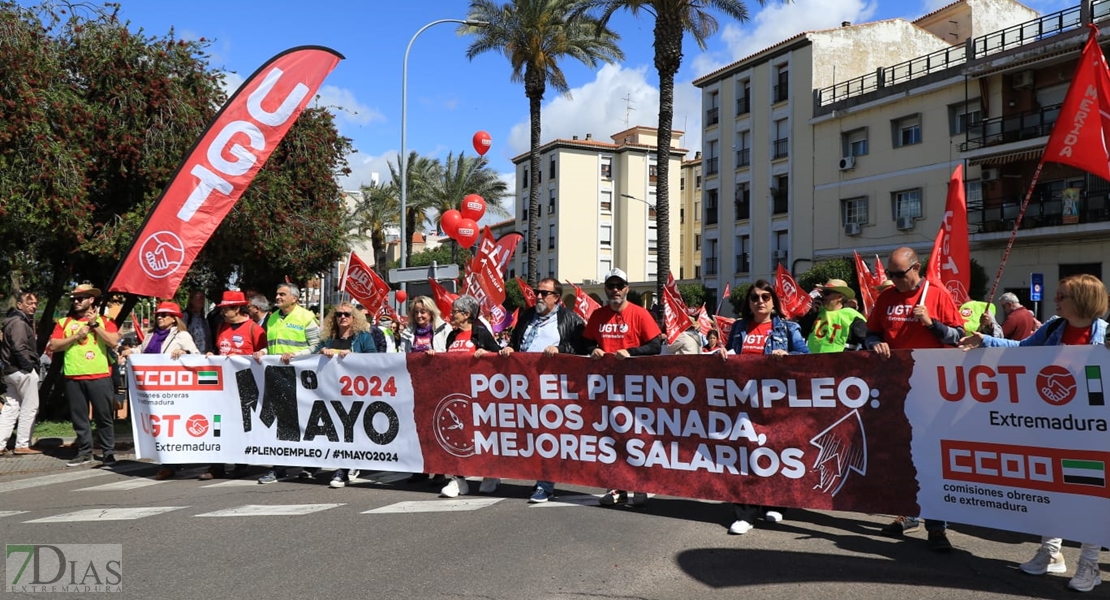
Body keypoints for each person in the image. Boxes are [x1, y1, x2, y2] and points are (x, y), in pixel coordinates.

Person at [960, 274, 1108, 593]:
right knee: (1054, 491)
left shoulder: (1105, 335)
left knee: (1090, 497)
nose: (1057, 301)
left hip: (1092, 430)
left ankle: (1090, 563)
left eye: (1063, 296)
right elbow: (1022, 350)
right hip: (1054, 425)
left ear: (1082, 300)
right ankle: (1051, 553)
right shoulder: (1055, 329)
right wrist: (984, 340)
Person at [864, 247, 964, 552]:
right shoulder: (887, 298)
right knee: (903, 456)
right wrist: (876, 343)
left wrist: (931, 324)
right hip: (897, 386)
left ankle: (937, 526)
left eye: (899, 274)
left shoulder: (937, 294)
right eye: (891, 275)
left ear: (916, 268)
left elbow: (959, 335)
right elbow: (870, 333)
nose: (894, 280)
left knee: (930, 458)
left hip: (932, 388)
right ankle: (908, 513)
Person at [718, 279, 809, 534]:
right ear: (748, 303)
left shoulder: (788, 329)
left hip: (777, 404)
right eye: (755, 297)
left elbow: (809, 357)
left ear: (773, 301)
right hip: (744, 402)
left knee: (778, 453)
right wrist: (723, 354)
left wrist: (789, 357)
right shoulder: (738, 328)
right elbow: (731, 354)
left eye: (766, 297)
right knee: (745, 455)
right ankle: (745, 512)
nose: (760, 301)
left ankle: (777, 503)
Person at [501, 278, 586, 502]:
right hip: (524, 387)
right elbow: (517, 342)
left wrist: (560, 348)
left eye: (543, 293)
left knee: (546, 436)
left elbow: (583, 347)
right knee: (524, 434)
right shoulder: (528, 316)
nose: (538, 296)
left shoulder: (570, 320)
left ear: (556, 298)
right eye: (537, 292)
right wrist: (510, 348)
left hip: (553, 390)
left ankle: (544, 484)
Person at [584, 268, 663, 507]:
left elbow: (656, 346)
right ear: (606, 289)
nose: (615, 290)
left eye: (620, 286)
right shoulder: (598, 315)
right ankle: (616, 487)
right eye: (611, 286)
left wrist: (631, 352)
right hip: (606, 386)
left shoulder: (640, 314)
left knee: (637, 436)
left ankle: (640, 484)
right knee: (611, 437)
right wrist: (592, 350)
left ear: (627, 288)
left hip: (636, 386)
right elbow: (584, 341)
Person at [121, 301, 200, 480]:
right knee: (158, 425)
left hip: (174, 388)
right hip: (152, 389)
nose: (159, 318)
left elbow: (196, 356)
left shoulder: (181, 335)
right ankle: (170, 460)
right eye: (158, 315)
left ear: (174, 319)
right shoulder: (150, 335)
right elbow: (142, 351)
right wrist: (131, 351)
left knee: (170, 426)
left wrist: (184, 353)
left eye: (164, 315)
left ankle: (169, 464)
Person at [435, 295, 501, 497]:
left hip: (479, 396)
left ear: (467, 315)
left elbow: (499, 359)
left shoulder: (480, 333)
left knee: (481, 437)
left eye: (455, 311)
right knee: (456, 438)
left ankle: (490, 473)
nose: (451, 314)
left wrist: (486, 355)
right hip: (455, 396)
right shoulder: (451, 336)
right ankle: (458, 480)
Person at [48, 284, 120, 468]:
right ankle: (84, 452)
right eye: (74, 299)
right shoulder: (64, 322)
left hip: (99, 375)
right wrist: (76, 336)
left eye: (81, 298)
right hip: (73, 376)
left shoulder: (105, 320)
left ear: (91, 300)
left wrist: (95, 325)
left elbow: (113, 341)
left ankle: (108, 453)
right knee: (79, 417)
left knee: (103, 417)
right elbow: (54, 346)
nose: (76, 301)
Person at [257, 283, 321, 485]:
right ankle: (279, 468)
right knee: (281, 424)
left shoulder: (306, 317)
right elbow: (274, 345)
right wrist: (264, 353)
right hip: (278, 376)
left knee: (305, 422)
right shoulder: (273, 317)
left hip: (302, 377)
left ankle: (310, 465)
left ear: (294, 298)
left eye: (282, 294)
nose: (277, 297)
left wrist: (296, 355)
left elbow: (317, 345)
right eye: (276, 293)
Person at [200, 290, 266, 480]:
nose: (222, 312)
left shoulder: (254, 329)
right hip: (222, 386)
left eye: (226, 309)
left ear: (237, 308)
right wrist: (213, 356)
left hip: (244, 385)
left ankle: (241, 463)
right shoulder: (221, 327)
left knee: (240, 425)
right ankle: (217, 465)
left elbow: (263, 354)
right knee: (218, 424)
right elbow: (219, 349)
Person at [314, 302, 378, 488]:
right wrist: (321, 352)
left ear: (354, 318)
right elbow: (311, 356)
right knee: (339, 430)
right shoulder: (328, 338)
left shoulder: (363, 337)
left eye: (347, 314)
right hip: (332, 392)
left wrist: (354, 354)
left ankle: (347, 466)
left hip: (355, 391)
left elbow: (374, 358)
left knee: (352, 429)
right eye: (339, 314)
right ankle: (343, 466)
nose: (342, 317)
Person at [399, 295, 451, 485]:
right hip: (415, 386)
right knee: (417, 429)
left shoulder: (444, 329)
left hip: (438, 385)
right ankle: (419, 468)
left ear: (431, 312)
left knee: (436, 428)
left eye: (423, 311)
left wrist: (437, 356)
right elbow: (401, 355)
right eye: (416, 312)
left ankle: (439, 470)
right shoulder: (408, 332)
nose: (420, 315)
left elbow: (451, 354)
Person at [1, 292, 42, 456]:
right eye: (29, 303)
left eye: (35, 303)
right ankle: (22, 444)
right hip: (21, 370)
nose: (34, 306)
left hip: (10, 370)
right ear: (19, 305)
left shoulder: (11, 321)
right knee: (30, 407)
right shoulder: (19, 322)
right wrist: (29, 367)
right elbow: (19, 347)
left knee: (11, 408)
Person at [806, 279, 867, 353]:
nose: (822, 296)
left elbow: (867, 340)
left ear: (840, 297)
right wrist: (812, 314)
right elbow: (800, 334)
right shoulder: (817, 312)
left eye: (827, 293)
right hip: (812, 362)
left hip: (840, 363)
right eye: (822, 293)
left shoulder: (852, 316)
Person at [184, 289, 213, 354]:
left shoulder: (204, 319)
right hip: (190, 355)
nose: (201, 300)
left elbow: (208, 339)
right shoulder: (185, 316)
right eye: (198, 297)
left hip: (204, 355)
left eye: (203, 298)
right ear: (191, 300)